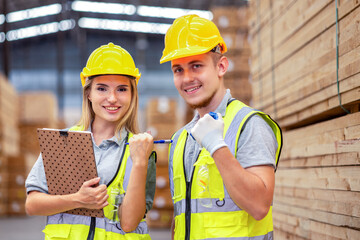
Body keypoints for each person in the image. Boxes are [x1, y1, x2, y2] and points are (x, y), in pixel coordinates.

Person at [160, 15, 283, 240]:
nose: (187, 78)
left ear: (221, 66)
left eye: (196, 66)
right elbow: (182, 218)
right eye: (178, 70)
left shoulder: (249, 124)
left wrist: (217, 145)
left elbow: (259, 206)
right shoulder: (181, 138)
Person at [25, 42, 156, 239]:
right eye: (102, 89)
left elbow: (129, 223)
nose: (112, 98)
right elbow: (32, 204)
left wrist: (139, 162)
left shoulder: (139, 149)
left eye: (121, 89)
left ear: (132, 95)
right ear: (88, 93)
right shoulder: (62, 142)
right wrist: (77, 199)